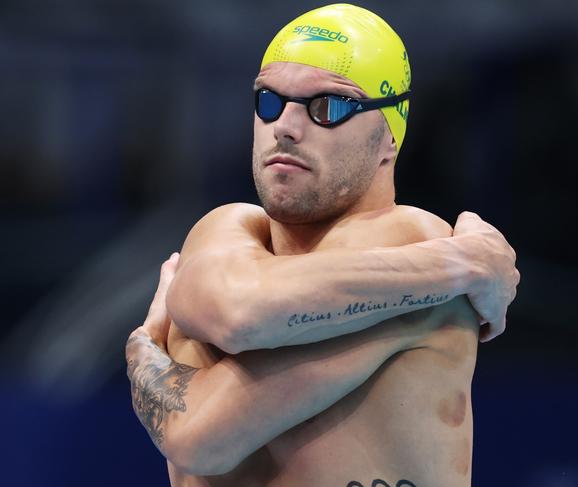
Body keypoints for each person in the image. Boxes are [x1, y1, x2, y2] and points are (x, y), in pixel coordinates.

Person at [126, 4, 520, 487]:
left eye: (328, 107)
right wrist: (464, 266)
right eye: (269, 100)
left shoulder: (411, 237)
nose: (286, 126)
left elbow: (198, 437)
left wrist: (148, 355)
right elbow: (236, 311)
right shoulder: (226, 229)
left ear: (389, 138)